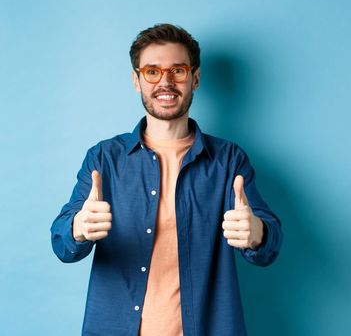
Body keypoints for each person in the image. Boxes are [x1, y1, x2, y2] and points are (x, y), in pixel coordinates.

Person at [50, 23, 283, 335]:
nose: (166, 82)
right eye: (152, 72)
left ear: (195, 78)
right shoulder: (104, 159)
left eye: (178, 71)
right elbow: (62, 245)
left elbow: (269, 245)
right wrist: (78, 228)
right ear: (137, 80)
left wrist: (258, 232)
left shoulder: (229, 161)